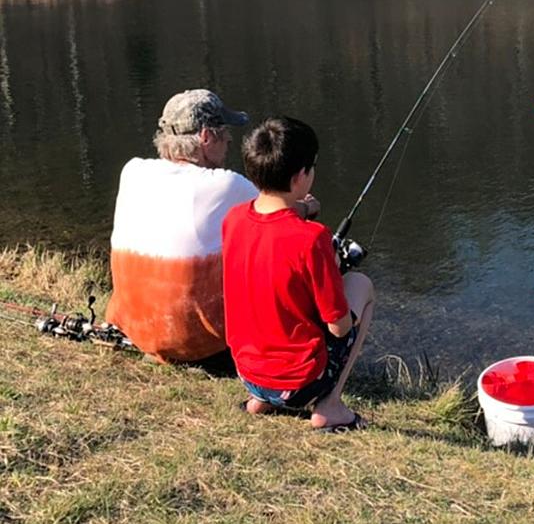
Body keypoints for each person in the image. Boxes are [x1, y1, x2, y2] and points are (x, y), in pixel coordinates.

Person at [106, 90, 318, 364]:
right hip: (199, 346)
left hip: (135, 331)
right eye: (224, 131)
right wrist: (307, 207)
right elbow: (278, 210)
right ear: (206, 137)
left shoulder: (133, 171)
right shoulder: (226, 185)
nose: (230, 139)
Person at [222, 117, 375, 431]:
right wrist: (332, 271)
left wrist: (303, 210)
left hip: (247, 373)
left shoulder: (233, 219)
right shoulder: (313, 239)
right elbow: (339, 327)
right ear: (300, 177)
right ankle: (329, 407)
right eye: (312, 166)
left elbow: (271, 236)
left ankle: (259, 400)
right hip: (298, 385)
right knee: (361, 285)